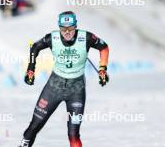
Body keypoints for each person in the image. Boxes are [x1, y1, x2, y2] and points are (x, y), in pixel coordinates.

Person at [19, 11, 109, 147]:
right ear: (59, 27)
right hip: (54, 87)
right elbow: (35, 47)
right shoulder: (52, 38)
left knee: (73, 134)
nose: (67, 32)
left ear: (76, 26)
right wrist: (31, 69)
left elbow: (104, 48)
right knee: (34, 126)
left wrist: (102, 69)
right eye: (63, 29)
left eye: (70, 29)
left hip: (76, 90)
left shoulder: (86, 37)